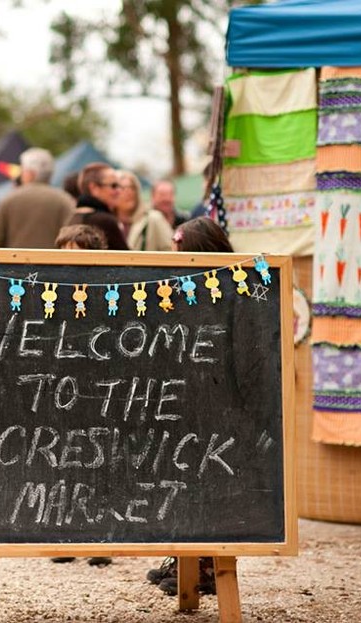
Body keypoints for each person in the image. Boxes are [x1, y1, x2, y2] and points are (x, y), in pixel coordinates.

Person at [145, 215, 230, 596]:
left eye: (180, 247)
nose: (173, 253)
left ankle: (209, 567)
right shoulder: (178, 287)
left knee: (207, 484)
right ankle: (183, 559)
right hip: (180, 398)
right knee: (178, 481)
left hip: (213, 403)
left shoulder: (228, 290)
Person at [49, 222, 112, 568]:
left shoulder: (109, 288)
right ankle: (65, 534)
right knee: (62, 458)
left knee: (99, 458)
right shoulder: (52, 288)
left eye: (76, 252)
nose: (68, 260)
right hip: (63, 385)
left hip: (100, 385)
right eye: (63, 252)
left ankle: (100, 536)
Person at [0, 147, 75, 249]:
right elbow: (71, 238)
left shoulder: (10, 199)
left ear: (30, 173)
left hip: (14, 263)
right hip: (52, 264)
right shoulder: (64, 200)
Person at [65, 163, 129, 251]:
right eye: (113, 186)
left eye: (119, 186)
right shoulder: (104, 221)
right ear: (94, 188)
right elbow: (127, 258)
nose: (119, 191)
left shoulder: (73, 216)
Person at [116, 170, 174, 252]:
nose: (129, 192)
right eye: (123, 188)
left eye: (133, 188)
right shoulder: (107, 222)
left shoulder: (153, 218)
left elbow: (172, 250)